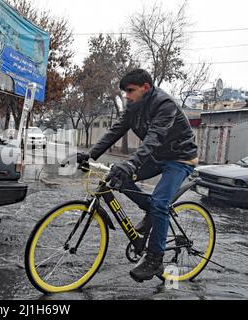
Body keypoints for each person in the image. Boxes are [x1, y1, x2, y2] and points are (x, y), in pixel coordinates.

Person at [77, 69, 198, 283]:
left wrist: (131, 163)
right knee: (117, 178)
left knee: (160, 203)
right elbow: (115, 131)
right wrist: (90, 155)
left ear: (146, 88)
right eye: (124, 92)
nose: (127, 96)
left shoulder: (164, 105)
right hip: (157, 156)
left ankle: (155, 258)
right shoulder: (133, 108)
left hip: (180, 158)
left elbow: (154, 138)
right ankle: (150, 211)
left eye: (130, 91)